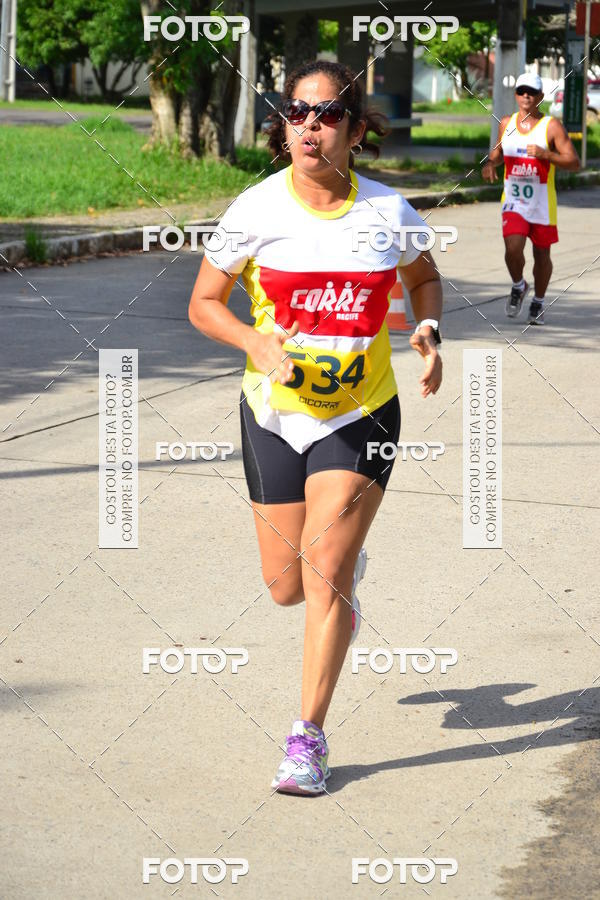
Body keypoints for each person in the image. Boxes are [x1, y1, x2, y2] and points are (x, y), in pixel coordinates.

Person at [188, 60, 443, 795]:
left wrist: (425, 329)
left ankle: (308, 738)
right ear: (283, 125)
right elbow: (206, 303)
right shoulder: (256, 209)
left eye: (328, 114)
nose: (310, 126)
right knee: (285, 586)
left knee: (324, 571)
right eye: (298, 113)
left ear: (356, 132)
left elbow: (423, 277)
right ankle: (340, 586)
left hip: (361, 413)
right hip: (274, 413)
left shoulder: (389, 212)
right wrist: (254, 342)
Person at [482, 72, 580, 325]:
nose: (526, 96)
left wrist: (547, 155)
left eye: (531, 92)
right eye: (521, 91)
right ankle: (519, 285)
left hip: (542, 204)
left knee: (541, 254)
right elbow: (498, 150)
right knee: (512, 248)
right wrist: (491, 163)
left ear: (540, 97)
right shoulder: (507, 123)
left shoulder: (552, 126)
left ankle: (538, 302)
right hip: (514, 201)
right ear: (516, 95)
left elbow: (574, 162)